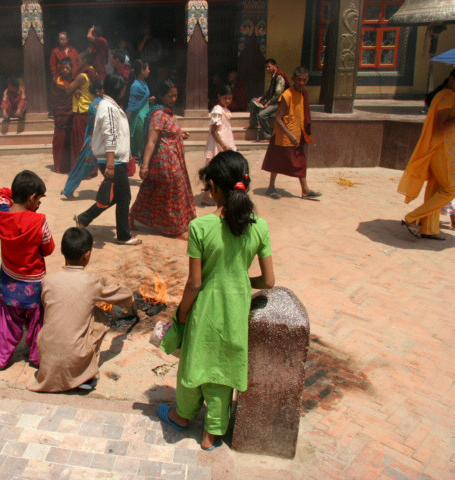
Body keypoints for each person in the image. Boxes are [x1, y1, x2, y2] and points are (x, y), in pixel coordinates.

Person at [157, 150, 275, 450]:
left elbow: (195, 283)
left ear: (215, 187)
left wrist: (181, 315)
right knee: (224, 367)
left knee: (194, 361)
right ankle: (212, 433)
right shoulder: (259, 227)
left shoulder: (200, 227)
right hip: (237, 310)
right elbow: (269, 281)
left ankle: (183, 415)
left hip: (204, 309)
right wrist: (239, 282)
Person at [29, 227, 133, 392]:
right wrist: (130, 303)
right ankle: (84, 374)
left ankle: (67, 370)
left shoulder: (47, 281)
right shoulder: (92, 282)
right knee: (100, 318)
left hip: (46, 353)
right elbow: (125, 295)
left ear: (62, 251)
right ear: (87, 255)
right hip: (75, 355)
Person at [0, 170, 55, 370]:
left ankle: (1, 360)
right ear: (31, 198)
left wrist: (18, 192)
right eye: (38, 200)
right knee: (37, 322)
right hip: (33, 283)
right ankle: (36, 358)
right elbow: (49, 248)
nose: (38, 206)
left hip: (9, 279)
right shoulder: (39, 221)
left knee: (7, 322)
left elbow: (1, 193)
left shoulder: (1, 212)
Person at [75, 74, 141, 246]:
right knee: (124, 197)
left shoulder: (108, 105)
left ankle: (84, 218)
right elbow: (110, 135)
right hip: (112, 161)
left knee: (113, 197)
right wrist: (111, 163)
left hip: (113, 159)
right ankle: (123, 236)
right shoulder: (109, 108)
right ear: (120, 90)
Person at [130, 80, 196, 237]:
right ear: (161, 95)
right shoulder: (158, 114)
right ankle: (174, 227)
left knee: (152, 191)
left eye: (175, 95)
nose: (173, 99)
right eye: (170, 96)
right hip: (164, 162)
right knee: (172, 193)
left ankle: (131, 216)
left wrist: (179, 134)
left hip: (175, 160)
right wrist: (144, 165)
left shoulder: (168, 112)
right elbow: (151, 142)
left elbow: (167, 132)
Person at [399, 69, 455, 240]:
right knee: (451, 188)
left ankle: (429, 229)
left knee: (436, 187)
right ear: (452, 79)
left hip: (442, 149)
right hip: (442, 149)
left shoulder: (445, 95)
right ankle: (411, 218)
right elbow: (441, 126)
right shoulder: (448, 96)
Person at [261, 66, 321, 200]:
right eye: (299, 80)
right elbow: (278, 118)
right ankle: (271, 187)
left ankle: (305, 190)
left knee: (300, 162)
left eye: (305, 80)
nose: (302, 83)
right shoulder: (286, 95)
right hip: (283, 136)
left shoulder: (302, 93)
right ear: (294, 79)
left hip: (297, 134)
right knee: (276, 162)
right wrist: (289, 135)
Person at [62, 78, 104, 199]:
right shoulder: (97, 106)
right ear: (98, 91)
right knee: (82, 167)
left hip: (93, 140)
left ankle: (68, 189)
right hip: (95, 141)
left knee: (82, 166)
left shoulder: (96, 104)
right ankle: (68, 190)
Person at [67, 52, 97, 167]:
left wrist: (73, 90)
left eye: (78, 60)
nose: (76, 62)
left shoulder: (82, 76)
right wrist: (75, 90)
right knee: (89, 141)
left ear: (85, 60)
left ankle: (81, 169)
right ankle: (91, 168)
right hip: (91, 109)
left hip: (81, 111)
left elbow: (68, 89)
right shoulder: (94, 72)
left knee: (80, 142)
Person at [249, 59, 289, 141]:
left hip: (280, 103)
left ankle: (268, 135)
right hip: (272, 100)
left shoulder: (279, 76)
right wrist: (261, 98)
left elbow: (278, 94)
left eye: (269, 67)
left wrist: (268, 103)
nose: (267, 69)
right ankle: (254, 124)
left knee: (262, 115)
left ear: (275, 66)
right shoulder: (273, 76)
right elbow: (270, 91)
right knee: (254, 100)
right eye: (266, 67)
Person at [127, 60, 154, 162]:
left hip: (144, 115)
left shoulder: (143, 83)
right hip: (138, 118)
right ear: (142, 70)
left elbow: (140, 99)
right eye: (147, 68)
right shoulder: (135, 86)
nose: (149, 71)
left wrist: (148, 100)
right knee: (143, 145)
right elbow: (132, 103)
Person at [51, 58, 75, 173]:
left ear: (71, 68)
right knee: (59, 139)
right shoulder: (56, 80)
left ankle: (70, 165)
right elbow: (54, 97)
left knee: (70, 139)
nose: (65, 70)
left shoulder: (75, 79)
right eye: (63, 68)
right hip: (60, 113)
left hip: (70, 114)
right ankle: (59, 166)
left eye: (67, 68)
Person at [205, 85, 237, 161]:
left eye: (230, 98)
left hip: (226, 141)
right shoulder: (217, 110)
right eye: (225, 98)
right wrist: (223, 146)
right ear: (219, 96)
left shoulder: (225, 110)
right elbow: (214, 131)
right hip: (219, 144)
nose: (227, 101)